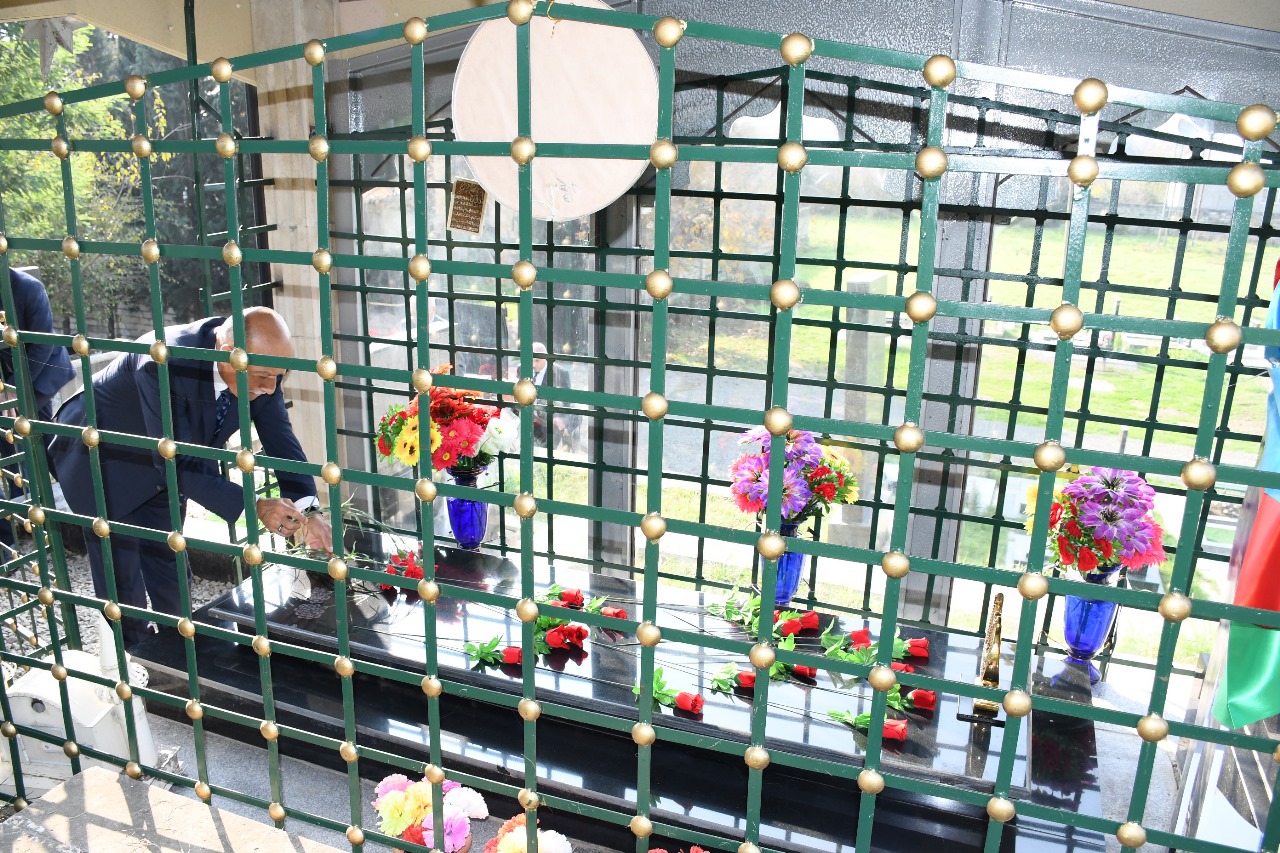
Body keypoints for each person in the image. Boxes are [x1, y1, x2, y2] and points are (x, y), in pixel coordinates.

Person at [48, 307, 332, 645]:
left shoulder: (262, 370)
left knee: (170, 567)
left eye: (278, 376)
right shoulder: (163, 360)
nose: (270, 388)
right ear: (228, 353)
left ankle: (179, 657)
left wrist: (309, 511)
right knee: (122, 585)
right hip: (103, 459)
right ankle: (138, 662)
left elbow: (281, 439)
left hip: (162, 467)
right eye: (263, 376)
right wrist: (256, 505)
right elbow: (176, 460)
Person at [0, 267, 75, 553]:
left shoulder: (28, 287)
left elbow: (42, 345)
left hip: (39, 373)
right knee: (19, 445)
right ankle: (16, 528)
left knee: (33, 440)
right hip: (6, 376)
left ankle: (64, 513)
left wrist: (12, 388)